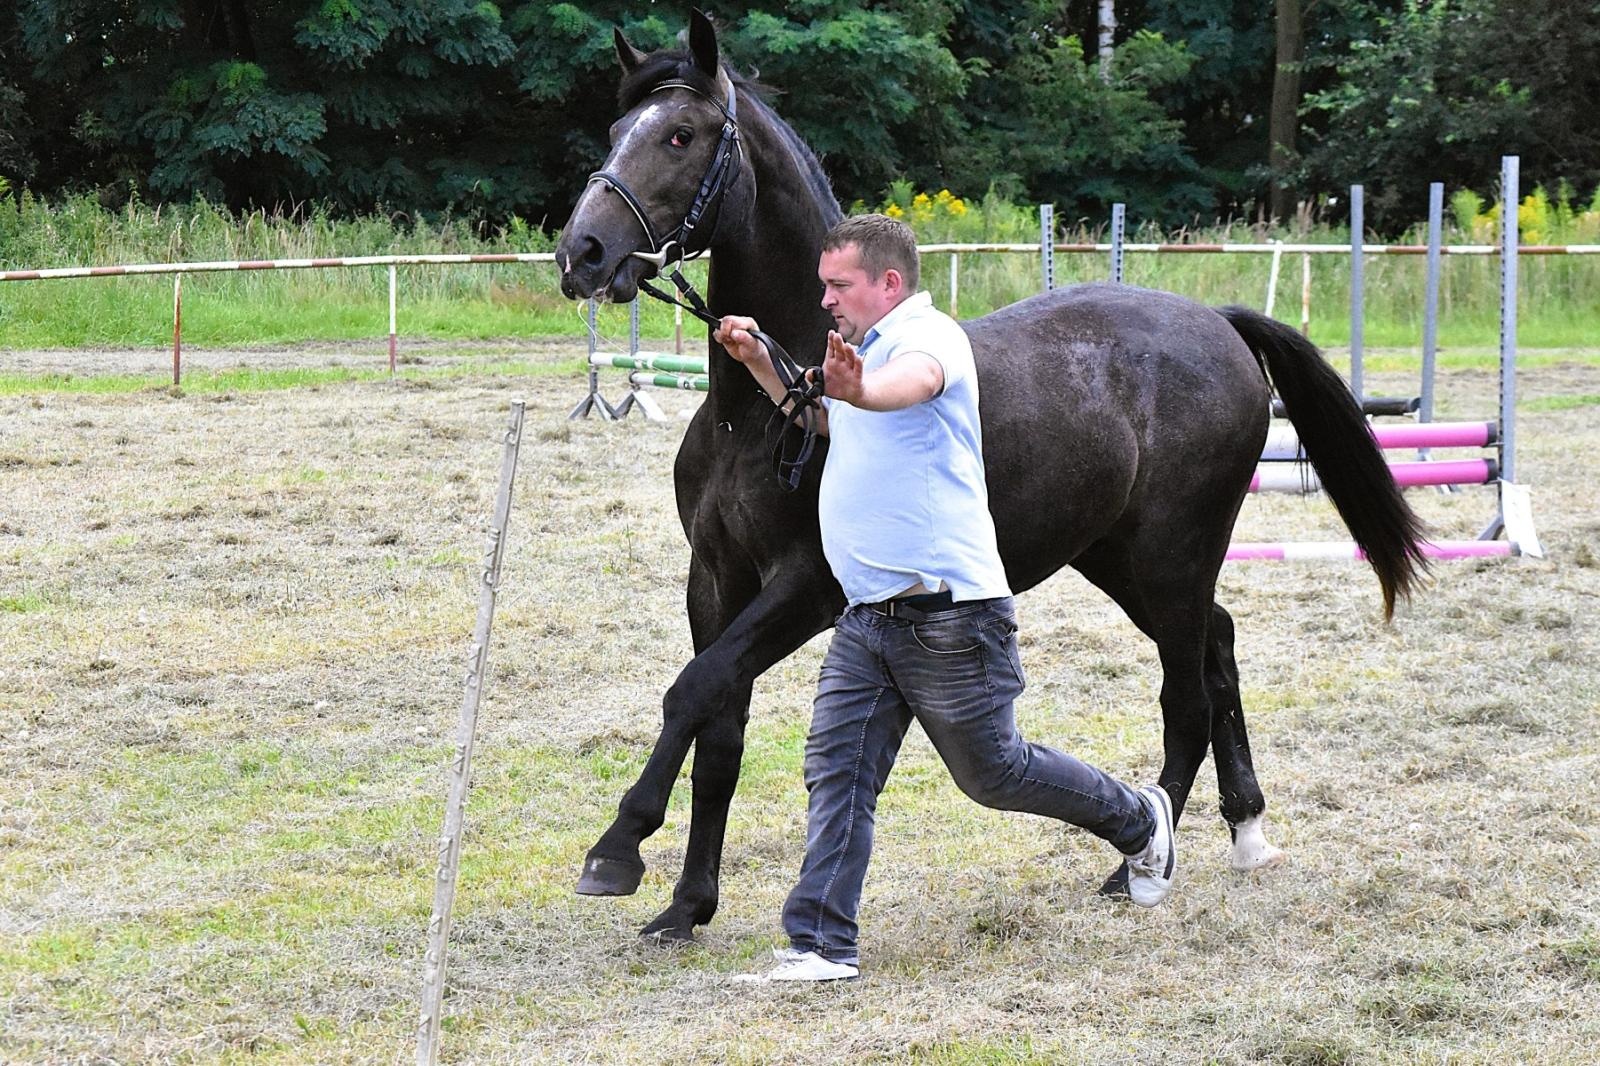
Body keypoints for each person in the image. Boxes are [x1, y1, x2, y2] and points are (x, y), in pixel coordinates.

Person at [714, 214, 1176, 984]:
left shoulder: (929, 341)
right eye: (823, 284)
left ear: (888, 283)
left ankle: (1139, 817)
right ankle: (822, 945)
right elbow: (833, 421)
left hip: (949, 617)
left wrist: (860, 384)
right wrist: (764, 362)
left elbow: (907, 388)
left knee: (994, 773)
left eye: (839, 285)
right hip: (869, 616)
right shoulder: (866, 354)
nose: (825, 298)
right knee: (837, 770)